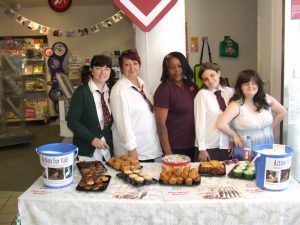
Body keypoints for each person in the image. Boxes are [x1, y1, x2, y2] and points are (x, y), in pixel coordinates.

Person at [217, 69, 287, 160]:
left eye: (254, 83)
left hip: (267, 144)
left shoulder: (266, 98)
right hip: (247, 147)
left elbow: (283, 112)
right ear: (240, 87)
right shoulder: (236, 104)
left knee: (265, 170)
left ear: (258, 85)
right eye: (246, 84)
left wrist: (270, 127)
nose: (250, 86)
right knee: (248, 172)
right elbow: (221, 124)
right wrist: (233, 135)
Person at [110, 49, 162, 162]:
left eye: (135, 63)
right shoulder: (119, 90)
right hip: (134, 153)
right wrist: (132, 151)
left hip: (150, 148)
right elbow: (123, 123)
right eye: (127, 65)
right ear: (121, 68)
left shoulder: (142, 83)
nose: (132, 68)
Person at [67, 55, 114, 161]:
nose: (103, 72)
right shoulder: (81, 92)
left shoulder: (111, 92)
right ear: (92, 70)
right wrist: (92, 139)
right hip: (87, 150)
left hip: (107, 149)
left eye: (106, 69)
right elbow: (72, 121)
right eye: (98, 68)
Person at [153, 52, 198, 161]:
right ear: (166, 70)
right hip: (175, 147)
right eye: (171, 67)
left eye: (179, 66)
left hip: (195, 145)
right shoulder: (163, 90)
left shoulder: (191, 85)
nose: (177, 70)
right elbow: (160, 125)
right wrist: (168, 154)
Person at [194, 62, 234, 162]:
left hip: (225, 146)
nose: (210, 81)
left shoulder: (229, 92)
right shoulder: (202, 94)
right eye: (206, 79)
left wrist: (232, 140)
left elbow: (232, 120)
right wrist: (202, 149)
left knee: (224, 176)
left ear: (219, 73)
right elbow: (199, 123)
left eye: (212, 75)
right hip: (208, 147)